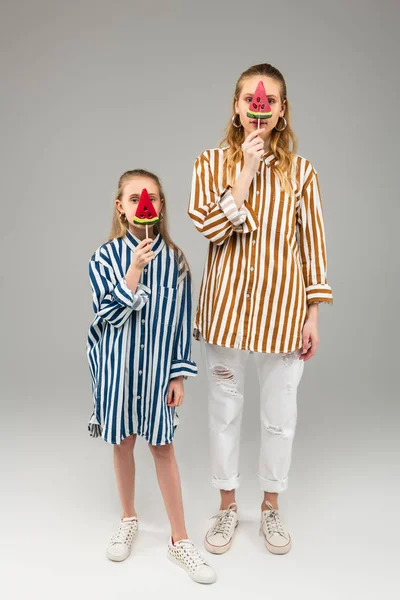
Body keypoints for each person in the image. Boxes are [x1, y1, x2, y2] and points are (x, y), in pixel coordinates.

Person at [188, 63, 333, 556]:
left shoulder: (302, 172)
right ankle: (228, 505)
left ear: (281, 111)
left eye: (269, 101)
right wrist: (246, 171)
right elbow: (209, 229)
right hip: (226, 313)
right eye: (251, 99)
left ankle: (270, 506)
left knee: (279, 418)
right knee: (224, 414)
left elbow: (312, 246)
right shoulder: (209, 164)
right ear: (236, 106)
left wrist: (313, 315)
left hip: (284, 314)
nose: (259, 107)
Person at [87, 169, 216, 584]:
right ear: (121, 208)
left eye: (154, 198)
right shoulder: (104, 258)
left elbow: (182, 324)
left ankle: (180, 540)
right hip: (116, 372)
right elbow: (105, 314)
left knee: (163, 448)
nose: (146, 204)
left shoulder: (177, 261)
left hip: (159, 372)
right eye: (135, 197)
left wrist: (178, 375)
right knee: (122, 443)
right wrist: (134, 272)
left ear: (160, 207)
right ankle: (129, 518)